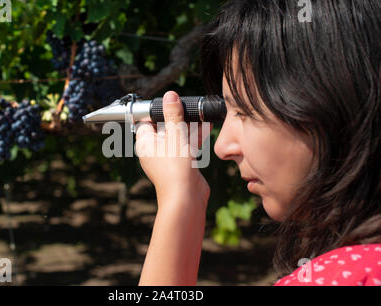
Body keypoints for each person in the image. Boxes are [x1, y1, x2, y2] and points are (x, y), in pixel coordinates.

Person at [135, 0, 380, 286]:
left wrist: (179, 199)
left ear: (332, 104)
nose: (221, 147)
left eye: (246, 110)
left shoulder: (338, 278)